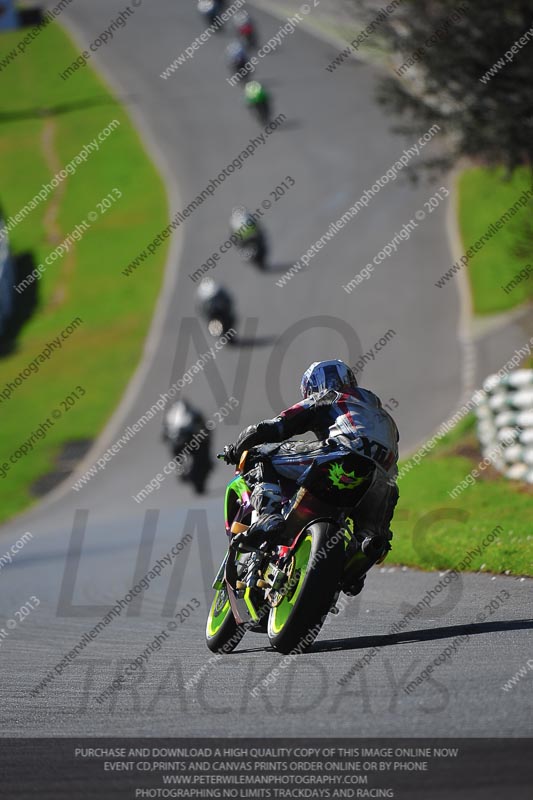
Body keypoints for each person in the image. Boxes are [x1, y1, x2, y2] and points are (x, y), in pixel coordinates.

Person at [222, 359, 399, 592]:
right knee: (373, 540)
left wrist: (237, 447)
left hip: (339, 454)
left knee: (260, 455)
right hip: (382, 483)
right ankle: (357, 561)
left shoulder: (329, 397)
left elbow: (276, 427)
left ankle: (268, 516)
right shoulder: (381, 414)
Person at [162, 399, 212, 494]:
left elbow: (207, 428)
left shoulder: (195, 414)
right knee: (175, 451)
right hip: (180, 442)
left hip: (197, 441)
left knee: (205, 452)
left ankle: (209, 461)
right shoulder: (171, 417)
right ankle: (180, 468)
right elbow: (165, 433)